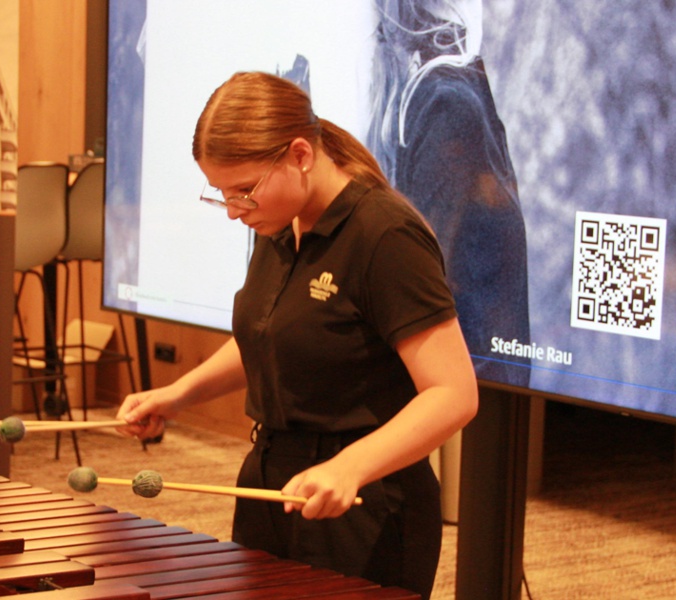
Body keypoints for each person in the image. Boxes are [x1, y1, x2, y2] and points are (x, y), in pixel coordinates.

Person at [117, 71, 478, 599]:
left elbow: (453, 394)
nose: (235, 211)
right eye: (221, 195)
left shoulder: (385, 235)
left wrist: (350, 467)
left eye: (244, 191)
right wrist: (177, 395)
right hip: (270, 483)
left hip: (366, 501)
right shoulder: (278, 221)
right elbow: (267, 337)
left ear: (301, 155)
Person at [367, 0, 531, 386]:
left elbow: (426, 257)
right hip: (468, 355)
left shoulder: (446, 100)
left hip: (463, 361)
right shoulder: (452, 89)